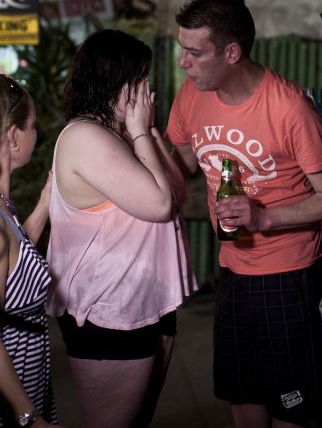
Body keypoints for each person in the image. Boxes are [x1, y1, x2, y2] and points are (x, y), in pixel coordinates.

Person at [166, 0, 322, 428]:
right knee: (239, 390)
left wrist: (265, 216)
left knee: (289, 402)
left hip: (286, 273)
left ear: (231, 52)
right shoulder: (193, 95)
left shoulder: (288, 108)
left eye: (194, 52)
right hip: (232, 266)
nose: (183, 63)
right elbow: (183, 167)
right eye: (182, 50)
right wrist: (137, 136)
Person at [46, 29, 197, 428]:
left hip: (144, 300)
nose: (148, 89)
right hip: (107, 312)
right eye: (141, 79)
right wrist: (142, 131)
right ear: (117, 81)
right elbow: (161, 205)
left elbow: (177, 188)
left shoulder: (120, 134)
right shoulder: (86, 137)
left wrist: (142, 132)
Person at [0, 75, 60, 427]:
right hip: (12, 403)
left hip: (29, 383)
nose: (36, 134)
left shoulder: (4, 205)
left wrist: (45, 200)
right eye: (33, 126)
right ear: (13, 138)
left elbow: (16, 261)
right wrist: (29, 417)